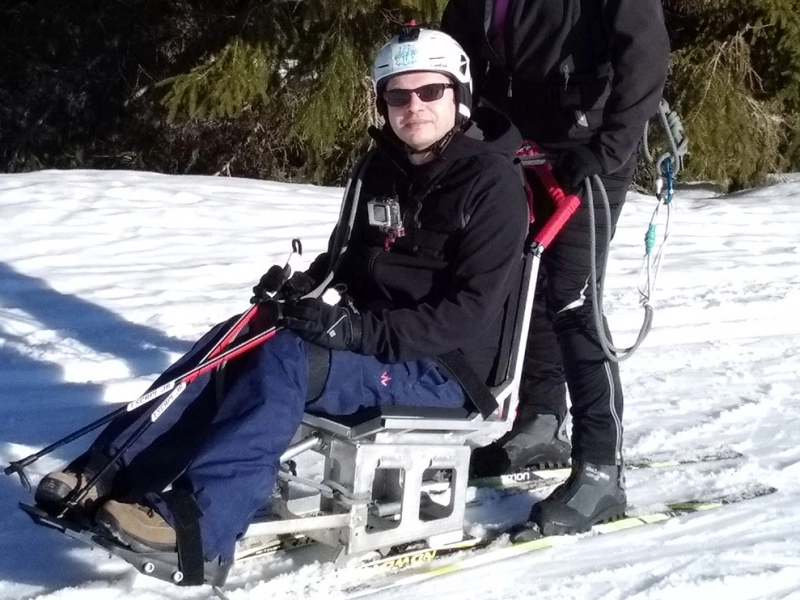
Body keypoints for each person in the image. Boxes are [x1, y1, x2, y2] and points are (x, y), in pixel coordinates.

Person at [33, 26, 529, 572]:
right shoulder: (380, 168)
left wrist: (356, 333)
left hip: (442, 368)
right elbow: (344, 259)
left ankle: (199, 530)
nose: (413, 107)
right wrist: (297, 293)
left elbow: (469, 315)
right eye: (397, 94)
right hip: (374, 341)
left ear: (458, 95)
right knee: (244, 332)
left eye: (429, 92)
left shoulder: (492, 185)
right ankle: (108, 473)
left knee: (285, 358)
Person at [441, 0, 670, 534]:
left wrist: (609, 148)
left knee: (572, 297)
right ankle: (540, 422)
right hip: (511, 146)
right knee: (528, 283)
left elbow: (646, 55)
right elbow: (458, 50)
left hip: (586, 151)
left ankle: (601, 468)